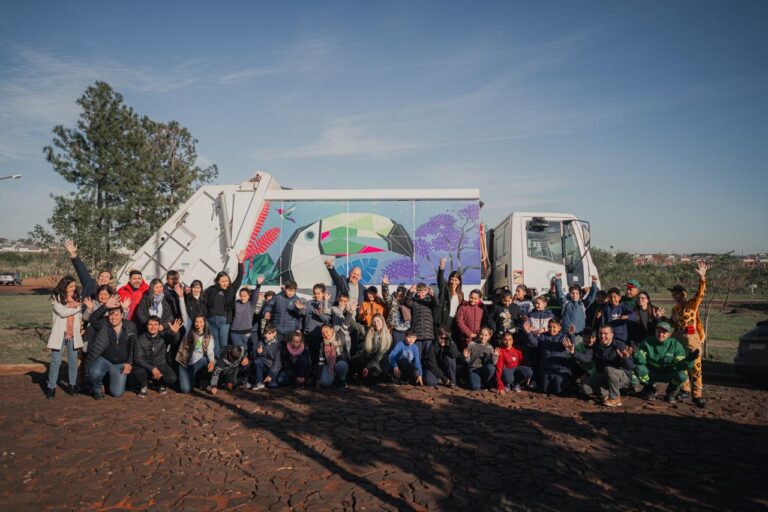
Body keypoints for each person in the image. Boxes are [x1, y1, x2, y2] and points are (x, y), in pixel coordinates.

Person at [670, 261, 709, 408]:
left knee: (696, 367)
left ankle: (697, 395)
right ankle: (685, 389)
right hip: (678, 338)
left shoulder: (692, 304)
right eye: (674, 294)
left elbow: (700, 293)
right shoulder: (674, 310)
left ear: (684, 295)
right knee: (681, 364)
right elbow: (673, 324)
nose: (677, 296)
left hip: (691, 338)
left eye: (679, 294)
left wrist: (702, 278)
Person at [565, 326, 634, 407]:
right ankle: (606, 394)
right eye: (600, 333)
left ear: (612, 335)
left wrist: (625, 358)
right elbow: (587, 358)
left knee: (608, 369)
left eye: (605, 333)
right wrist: (573, 352)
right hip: (603, 376)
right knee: (585, 389)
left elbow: (630, 366)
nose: (602, 336)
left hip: (621, 378)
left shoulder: (619, 345)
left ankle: (615, 398)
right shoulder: (596, 347)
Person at [634, 322, 698, 403]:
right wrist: (636, 353)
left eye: (664, 332)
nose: (661, 334)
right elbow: (641, 361)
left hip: (668, 373)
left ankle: (671, 391)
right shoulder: (647, 342)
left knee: (681, 376)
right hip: (651, 373)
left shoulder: (676, 345)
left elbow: (680, 366)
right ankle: (649, 388)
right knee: (638, 368)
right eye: (658, 331)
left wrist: (689, 360)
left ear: (669, 334)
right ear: (655, 332)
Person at [85, 307, 138, 399]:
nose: (113, 318)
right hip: (104, 359)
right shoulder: (104, 324)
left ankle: (109, 381)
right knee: (93, 373)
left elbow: (134, 346)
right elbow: (92, 318)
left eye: (117, 314)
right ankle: (97, 388)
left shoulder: (130, 326)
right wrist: (106, 306)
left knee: (117, 393)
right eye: (111, 315)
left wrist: (129, 363)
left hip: (120, 363)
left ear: (122, 315)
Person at [45, 276, 84, 399]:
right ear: (64, 286)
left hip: (73, 334)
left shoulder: (77, 298)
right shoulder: (56, 297)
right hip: (60, 334)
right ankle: (51, 387)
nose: (74, 288)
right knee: (55, 361)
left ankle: (72, 385)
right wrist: (78, 308)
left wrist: (78, 310)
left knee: (73, 362)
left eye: (74, 286)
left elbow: (79, 316)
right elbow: (62, 312)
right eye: (71, 286)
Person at [204, 250, 246, 357]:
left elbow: (239, 278)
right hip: (212, 320)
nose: (225, 283)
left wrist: (240, 262)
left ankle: (223, 361)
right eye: (222, 281)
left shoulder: (231, 289)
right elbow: (203, 301)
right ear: (217, 281)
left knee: (224, 343)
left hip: (224, 321)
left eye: (226, 280)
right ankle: (217, 361)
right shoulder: (211, 289)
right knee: (215, 342)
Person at [132, 317, 182, 397]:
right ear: (147, 326)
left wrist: (174, 333)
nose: (153, 327)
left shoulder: (163, 336)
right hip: (145, 366)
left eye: (155, 325)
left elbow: (174, 340)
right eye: (150, 324)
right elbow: (139, 358)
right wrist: (153, 369)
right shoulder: (140, 339)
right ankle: (143, 386)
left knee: (171, 378)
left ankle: (160, 383)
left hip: (160, 364)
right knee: (138, 373)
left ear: (159, 326)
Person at [523, 319, 573, 396]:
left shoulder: (563, 337)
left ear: (559, 328)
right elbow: (534, 342)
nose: (551, 329)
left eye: (554, 327)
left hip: (559, 370)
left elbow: (570, 344)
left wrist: (571, 334)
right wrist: (528, 332)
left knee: (559, 392)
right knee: (544, 390)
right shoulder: (544, 336)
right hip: (546, 369)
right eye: (549, 327)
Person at [175, 315, 216, 393]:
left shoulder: (209, 337)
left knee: (210, 360)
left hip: (198, 362)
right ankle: (190, 379)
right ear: (193, 323)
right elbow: (184, 313)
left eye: (201, 322)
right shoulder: (188, 330)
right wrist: (181, 301)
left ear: (205, 323)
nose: (198, 324)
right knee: (186, 390)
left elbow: (210, 351)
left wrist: (211, 361)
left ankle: (200, 379)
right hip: (184, 363)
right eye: (196, 322)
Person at [350, 313, 393, 383]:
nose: (376, 324)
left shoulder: (388, 337)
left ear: (382, 322)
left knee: (373, 375)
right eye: (374, 321)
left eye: (378, 321)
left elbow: (378, 357)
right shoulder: (368, 331)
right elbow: (355, 326)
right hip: (367, 360)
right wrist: (349, 313)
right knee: (352, 362)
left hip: (379, 363)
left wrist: (368, 367)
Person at [302, 283, 333, 371]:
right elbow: (303, 315)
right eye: (315, 293)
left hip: (320, 335)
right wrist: (299, 309)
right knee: (310, 356)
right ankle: (310, 374)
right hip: (309, 334)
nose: (316, 295)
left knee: (319, 357)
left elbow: (328, 320)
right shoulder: (309, 303)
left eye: (318, 293)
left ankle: (318, 376)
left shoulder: (327, 304)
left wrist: (320, 315)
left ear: (323, 294)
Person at [263, 280, 304, 344]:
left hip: (291, 330)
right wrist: (266, 312)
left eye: (293, 291)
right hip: (277, 329)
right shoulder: (277, 297)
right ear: (285, 288)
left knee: (288, 350)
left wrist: (299, 310)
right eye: (289, 290)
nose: (291, 293)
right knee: (277, 349)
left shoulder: (297, 299)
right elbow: (268, 305)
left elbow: (299, 316)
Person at [230, 277, 264, 350]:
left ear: (249, 296)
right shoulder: (236, 303)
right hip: (235, 332)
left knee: (247, 349)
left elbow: (255, 295)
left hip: (247, 332)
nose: (243, 298)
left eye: (245, 296)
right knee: (238, 351)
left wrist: (258, 284)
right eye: (241, 296)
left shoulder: (251, 304)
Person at [404, 283, 437, 358]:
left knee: (429, 357)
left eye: (422, 292)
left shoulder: (429, 301)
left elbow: (436, 303)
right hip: (417, 335)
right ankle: (418, 369)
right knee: (417, 356)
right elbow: (407, 302)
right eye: (418, 292)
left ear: (426, 292)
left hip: (428, 335)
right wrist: (410, 292)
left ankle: (428, 370)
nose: (420, 294)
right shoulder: (414, 301)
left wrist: (433, 295)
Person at [434, 257, 464, 336]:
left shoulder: (461, 294)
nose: (454, 282)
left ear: (459, 281)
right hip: (445, 319)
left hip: (456, 320)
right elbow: (440, 279)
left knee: (453, 339)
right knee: (444, 337)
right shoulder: (444, 288)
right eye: (452, 279)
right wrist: (441, 267)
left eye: (456, 280)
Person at [461, 327, 496, 391]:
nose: (483, 337)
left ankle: (484, 383)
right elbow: (467, 362)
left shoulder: (490, 347)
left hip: (483, 369)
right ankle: (472, 380)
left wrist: (495, 356)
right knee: (475, 387)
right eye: (481, 334)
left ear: (489, 336)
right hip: (473, 370)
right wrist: (466, 357)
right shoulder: (472, 344)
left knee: (491, 368)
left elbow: (494, 363)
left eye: (486, 335)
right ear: (478, 334)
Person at [317, 324, 350, 389]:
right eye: (323, 333)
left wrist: (349, 314)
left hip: (339, 363)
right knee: (325, 383)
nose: (325, 335)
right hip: (328, 366)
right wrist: (318, 378)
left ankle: (342, 381)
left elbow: (345, 325)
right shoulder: (322, 344)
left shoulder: (339, 335)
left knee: (342, 365)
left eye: (327, 331)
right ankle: (333, 380)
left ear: (331, 330)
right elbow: (321, 362)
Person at [381, 275, 410, 343]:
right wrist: (385, 285)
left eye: (401, 295)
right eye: (398, 295)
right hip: (391, 329)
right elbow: (386, 295)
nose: (399, 297)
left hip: (404, 331)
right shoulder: (392, 300)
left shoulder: (407, 303)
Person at [252, 325, 282, 390]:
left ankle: (272, 379)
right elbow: (254, 357)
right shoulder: (261, 342)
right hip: (265, 367)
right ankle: (259, 382)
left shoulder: (278, 345)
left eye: (269, 333)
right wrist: (258, 352)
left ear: (274, 333)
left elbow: (277, 363)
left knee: (275, 383)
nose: (266, 335)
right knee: (257, 361)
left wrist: (271, 375)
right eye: (265, 333)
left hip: (274, 370)